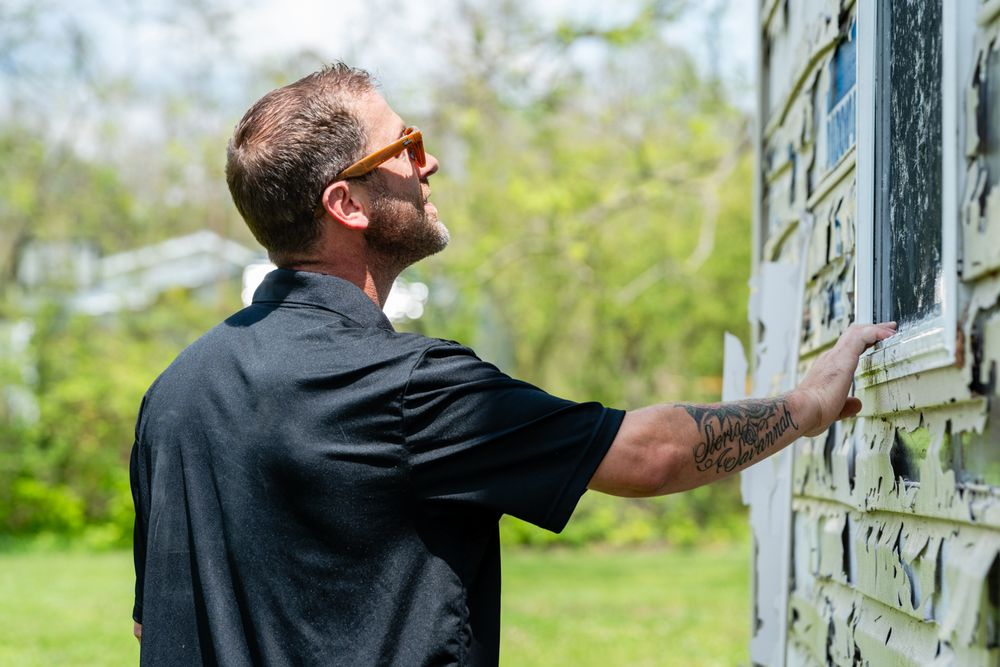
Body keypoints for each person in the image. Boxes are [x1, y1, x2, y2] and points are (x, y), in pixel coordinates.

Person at [129, 63, 895, 666]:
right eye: (406, 148)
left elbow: (152, 623)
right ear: (348, 205)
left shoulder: (172, 395)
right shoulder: (409, 390)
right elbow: (647, 454)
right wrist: (804, 407)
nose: (429, 166)